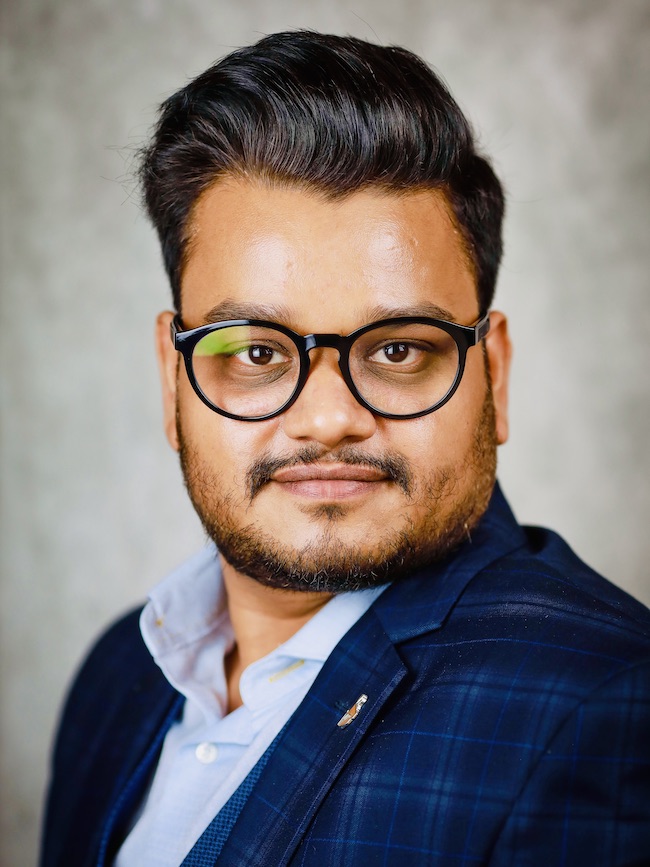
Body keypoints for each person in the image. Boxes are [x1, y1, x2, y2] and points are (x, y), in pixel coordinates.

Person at [40, 30, 650, 867]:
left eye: (398, 349)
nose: (328, 419)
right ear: (172, 378)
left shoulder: (607, 704)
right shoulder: (117, 678)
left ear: (495, 375)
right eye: (255, 350)